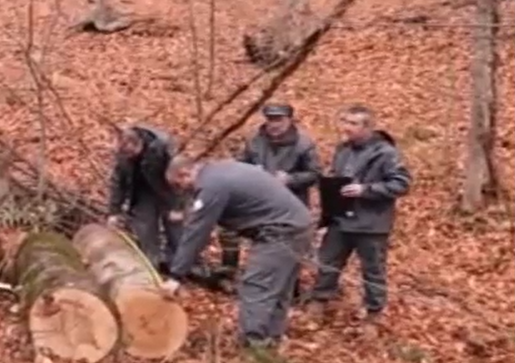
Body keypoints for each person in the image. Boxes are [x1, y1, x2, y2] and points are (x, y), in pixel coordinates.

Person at [161, 155, 314, 349]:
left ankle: (254, 343)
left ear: (184, 174)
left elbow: (197, 233)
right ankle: (272, 339)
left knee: (256, 285)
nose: (181, 189)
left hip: (281, 231)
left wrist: (176, 275)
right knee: (278, 287)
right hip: (297, 223)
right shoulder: (219, 171)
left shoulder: (211, 185)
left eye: (178, 184)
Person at [306, 105, 411, 325]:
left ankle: (373, 315)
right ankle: (319, 302)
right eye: (344, 121)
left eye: (353, 123)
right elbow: (336, 177)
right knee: (328, 262)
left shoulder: (386, 153)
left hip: (371, 224)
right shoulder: (343, 150)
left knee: (373, 271)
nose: (346, 127)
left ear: (368, 127)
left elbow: (401, 184)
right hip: (340, 220)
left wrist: (366, 190)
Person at [218, 103, 322, 280]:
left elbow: (315, 174)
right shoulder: (254, 140)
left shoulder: (304, 144)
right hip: (256, 201)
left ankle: (289, 285)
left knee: (287, 244)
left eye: (279, 120)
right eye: (270, 119)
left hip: (290, 202)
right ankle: (227, 274)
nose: (274, 124)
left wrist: (289, 179)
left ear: (289, 120)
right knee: (228, 229)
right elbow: (241, 164)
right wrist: (252, 172)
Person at [105, 124, 182, 269]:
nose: (126, 157)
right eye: (123, 154)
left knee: (176, 229)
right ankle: (151, 264)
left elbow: (183, 178)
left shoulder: (164, 146)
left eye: (129, 153)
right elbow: (118, 182)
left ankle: (182, 266)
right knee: (144, 229)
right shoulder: (122, 152)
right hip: (142, 190)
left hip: (168, 189)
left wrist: (180, 206)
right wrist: (113, 212)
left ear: (138, 144)